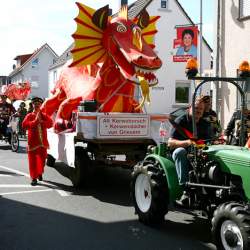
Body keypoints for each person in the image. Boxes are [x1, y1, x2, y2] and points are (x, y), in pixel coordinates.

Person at [168, 97, 211, 205]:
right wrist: (187, 142)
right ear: (190, 108)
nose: (198, 111)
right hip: (181, 153)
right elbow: (170, 142)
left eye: (201, 109)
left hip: (198, 152)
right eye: (196, 108)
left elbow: (209, 142)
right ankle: (185, 189)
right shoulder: (180, 121)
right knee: (180, 152)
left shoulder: (205, 124)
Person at [22, 97, 53, 186]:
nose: (37, 106)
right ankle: (34, 178)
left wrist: (42, 122)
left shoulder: (44, 115)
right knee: (33, 161)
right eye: (35, 104)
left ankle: (39, 172)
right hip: (32, 142)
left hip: (42, 142)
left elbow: (51, 123)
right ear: (33, 105)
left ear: (40, 105)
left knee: (42, 160)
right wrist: (34, 122)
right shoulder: (29, 115)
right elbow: (24, 125)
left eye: (38, 104)